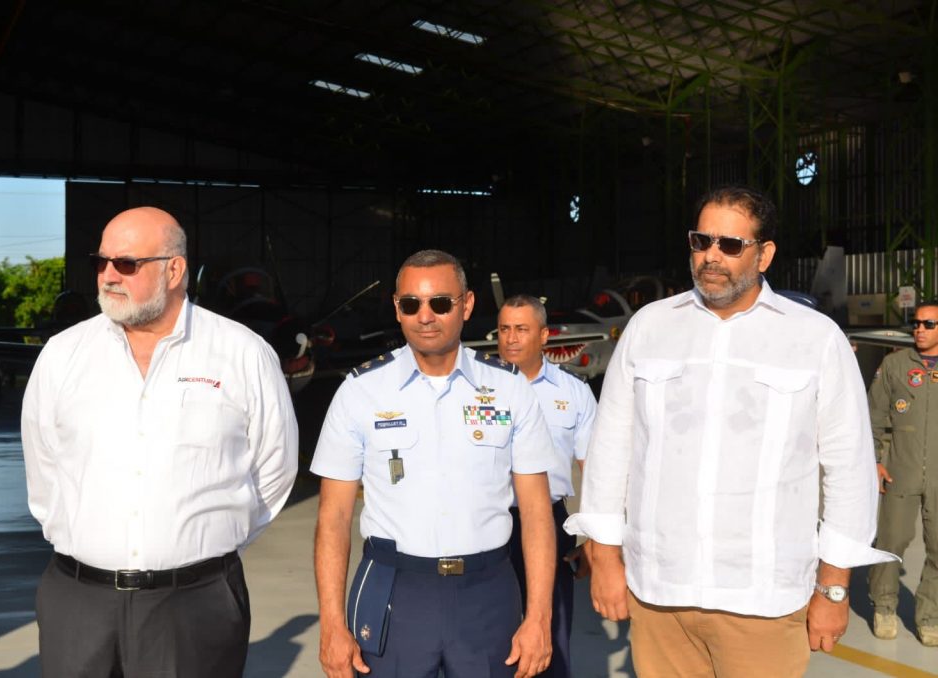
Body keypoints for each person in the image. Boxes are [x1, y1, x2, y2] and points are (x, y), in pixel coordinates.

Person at [565, 185, 897, 677]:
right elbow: (612, 448)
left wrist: (833, 587)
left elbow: (848, 470)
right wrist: (606, 558)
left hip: (763, 598)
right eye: (701, 242)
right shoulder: (649, 328)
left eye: (730, 245)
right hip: (660, 594)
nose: (711, 257)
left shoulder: (814, 338)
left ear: (764, 255)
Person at [21, 206, 299, 678]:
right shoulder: (63, 355)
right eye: (101, 262)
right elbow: (43, 467)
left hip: (195, 605)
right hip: (78, 603)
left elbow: (274, 470)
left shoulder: (242, 354)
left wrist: (200, 552)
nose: (109, 275)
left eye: (126, 264)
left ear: (174, 270)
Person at [312, 249, 559, 678]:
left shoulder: (510, 389)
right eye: (411, 304)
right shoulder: (360, 392)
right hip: (394, 590)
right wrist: (332, 624)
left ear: (466, 305)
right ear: (397, 308)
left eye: (440, 303)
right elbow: (333, 516)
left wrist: (539, 617)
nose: (425, 316)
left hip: (487, 591)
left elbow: (537, 512)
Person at [497, 294, 598, 678]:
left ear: (543, 336)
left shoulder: (573, 393)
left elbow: (596, 469)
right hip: (486, 524)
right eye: (504, 329)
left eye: (521, 329)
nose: (510, 338)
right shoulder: (474, 388)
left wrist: (596, 539)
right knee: (490, 639)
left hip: (549, 524)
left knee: (550, 637)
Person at [867, 300, 938, 646]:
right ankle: (884, 606)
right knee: (892, 542)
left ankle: (930, 616)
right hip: (900, 470)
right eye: (916, 323)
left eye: (928, 324)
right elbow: (874, 416)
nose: (919, 329)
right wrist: (875, 461)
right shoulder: (895, 365)